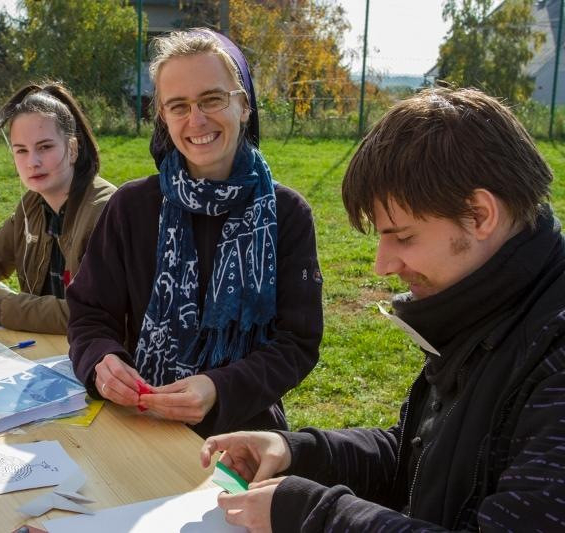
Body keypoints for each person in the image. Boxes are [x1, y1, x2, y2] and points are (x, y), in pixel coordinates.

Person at [200, 87, 565, 532]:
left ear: (480, 214)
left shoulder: (553, 355)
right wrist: (296, 451)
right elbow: (420, 458)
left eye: (403, 237)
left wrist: (315, 514)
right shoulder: (492, 303)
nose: (382, 264)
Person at [66, 29, 323, 438]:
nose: (196, 119)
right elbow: (89, 313)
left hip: (242, 432)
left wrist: (218, 387)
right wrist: (102, 361)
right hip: (140, 420)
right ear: (163, 116)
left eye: (212, 99)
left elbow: (297, 343)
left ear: (244, 106)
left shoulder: (287, 214)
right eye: (179, 106)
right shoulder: (131, 207)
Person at [0, 82, 115, 333]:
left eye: (45, 147)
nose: (32, 162)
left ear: (72, 149)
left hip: (101, 352)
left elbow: (86, 311)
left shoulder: (105, 211)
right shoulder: (32, 204)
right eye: (21, 151)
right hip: (46, 347)